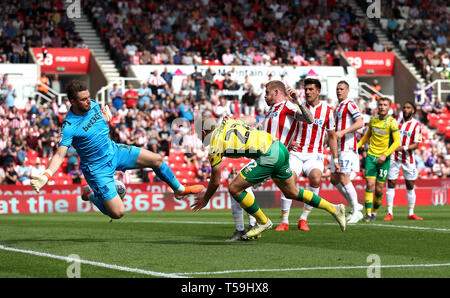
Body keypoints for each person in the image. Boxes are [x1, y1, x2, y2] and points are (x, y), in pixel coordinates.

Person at [30, 80, 204, 219]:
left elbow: (99, 127)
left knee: (156, 159)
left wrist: (107, 121)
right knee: (118, 213)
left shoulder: (94, 104)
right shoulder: (69, 126)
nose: (88, 101)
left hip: (114, 151)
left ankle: (179, 189)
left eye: (89, 97)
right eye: (83, 99)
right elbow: (60, 154)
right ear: (72, 101)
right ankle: (90, 194)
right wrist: (46, 175)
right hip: (97, 169)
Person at [191, 116, 346, 240]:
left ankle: (263, 221)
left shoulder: (214, 146)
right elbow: (251, 119)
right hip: (280, 148)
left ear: (204, 133)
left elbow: (215, 180)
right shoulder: (229, 122)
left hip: (269, 155)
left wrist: (205, 199)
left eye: (199, 135)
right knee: (292, 192)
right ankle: (334, 208)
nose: (199, 138)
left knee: (234, 188)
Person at [275, 78, 340, 232]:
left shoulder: (328, 111)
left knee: (316, 178)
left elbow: (332, 136)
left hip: (315, 154)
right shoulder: (296, 107)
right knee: (288, 181)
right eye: (306, 89)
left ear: (318, 91)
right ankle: (284, 221)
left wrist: (335, 159)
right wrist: (287, 142)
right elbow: (283, 126)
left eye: (311, 89)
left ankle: (303, 218)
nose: (308, 92)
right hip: (296, 153)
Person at [357, 97, 400, 222]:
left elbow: (397, 142)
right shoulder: (373, 120)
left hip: (384, 159)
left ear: (389, 107)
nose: (382, 107)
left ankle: (374, 213)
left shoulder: (392, 122)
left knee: (379, 188)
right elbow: (367, 136)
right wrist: (357, 146)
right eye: (380, 104)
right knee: (369, 184)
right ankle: (368, 214)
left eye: (385, 105)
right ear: (377, 106)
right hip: (371, 156)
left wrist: (385, 155)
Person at [330, 81, 364, 224]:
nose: (339, 91)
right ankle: (355, 205)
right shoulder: (338, 107)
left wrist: (343, 132)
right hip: (338, 147)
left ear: (348, 91)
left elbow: (360, 123)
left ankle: (356, 210)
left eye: (342, 89)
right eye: (337, 89)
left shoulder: (350, 104)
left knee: (344, 177)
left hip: (347, 146)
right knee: (334, 179)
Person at [385, 101, 423, 221]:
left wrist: (403, 148)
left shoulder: (416, 125)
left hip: (408, 159)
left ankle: (411, 213)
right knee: (391, 183)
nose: (405, 109)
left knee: (410, 185)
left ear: (413, 111)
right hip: (394, 158)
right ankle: (389, 212)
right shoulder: (395, 121)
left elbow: (416, 144)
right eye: (404, 107)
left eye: (408, 108)